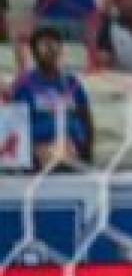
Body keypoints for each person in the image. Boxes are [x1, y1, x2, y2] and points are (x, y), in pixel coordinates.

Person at [8, 26, 91, 170]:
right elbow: (15, 125)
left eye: (53, 45)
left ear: (60, 50)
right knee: (54, 155)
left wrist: (86, 147)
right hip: (39, 144)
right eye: (45, 46)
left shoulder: (72, 82)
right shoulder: (25, 85)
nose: (50, 50)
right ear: (35, 53)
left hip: (71, 143)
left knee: (66, 152)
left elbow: (86, 118)